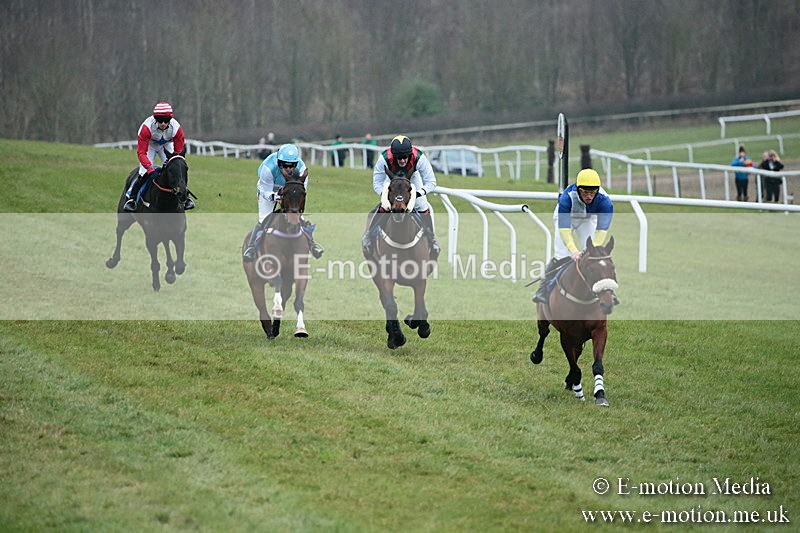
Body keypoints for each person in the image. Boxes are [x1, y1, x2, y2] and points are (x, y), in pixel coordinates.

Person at [532, 168, 615, 305]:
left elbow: (601, 231)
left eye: (592, 192)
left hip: (588, 219)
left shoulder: (605, 202)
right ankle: (543, 290)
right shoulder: (566, 198)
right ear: (578, 189)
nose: (589, 196)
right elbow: (564, 230)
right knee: (561, 256)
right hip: (566, 219)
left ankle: (610, 292)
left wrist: (591, 250)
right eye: (585, 192)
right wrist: (574, 251)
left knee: (596, 257)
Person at [362, 134, 440, 259]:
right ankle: (369, 235)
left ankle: (432, 239)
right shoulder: (384, 158)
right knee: (385, 205)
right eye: (399, 158)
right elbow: (377, 183)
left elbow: (431, 182)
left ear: (410, 154)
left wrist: (416, 194)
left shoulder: (419, 157)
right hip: (392, 178)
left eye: (405, 157)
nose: (403, 160)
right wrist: (385, 195)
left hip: (412, 177)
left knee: (422, 205)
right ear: (394, 156)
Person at [242, 144, 324, 262]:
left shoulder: (302, 168)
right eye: (285, 165)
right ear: (279, 162)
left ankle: (312, 245)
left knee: (299, 218)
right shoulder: (268, 168)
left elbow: (301, 191)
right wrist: (275, 196)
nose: (289, 169)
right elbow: (265, 190)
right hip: (269, 191)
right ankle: (251, 248)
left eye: (292, 165)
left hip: (289, 192)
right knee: (264, 219)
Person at [124, 102, 193, 212]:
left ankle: (185, 197)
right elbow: (141, 153)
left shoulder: (176, 129)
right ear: (155, 119)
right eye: (160, 121)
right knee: (143, 172)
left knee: (177, 168)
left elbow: (179, 154)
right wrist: (150, 169)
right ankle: (132, 199)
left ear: (170, 119)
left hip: (166, 144)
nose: (163, 124)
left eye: (166, 120)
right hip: (150, 146)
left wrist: (175, 163)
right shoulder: (146, 128)